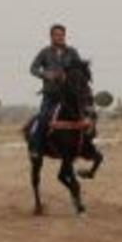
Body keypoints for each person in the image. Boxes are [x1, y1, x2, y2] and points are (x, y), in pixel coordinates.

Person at [28, 24, 83, 157]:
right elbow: (33, 69)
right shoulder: (45, 52)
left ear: (65, 36)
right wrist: (46, 74)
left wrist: (69, 76)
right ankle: (36, 147)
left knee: (86, 116)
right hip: (51, 94)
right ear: (51, 36)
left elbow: (80, 69)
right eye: (56, 35)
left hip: (70, 95)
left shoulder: (72, 52)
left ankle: (87, 146)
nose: (59, 37)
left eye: (61, 35)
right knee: (42, 118)